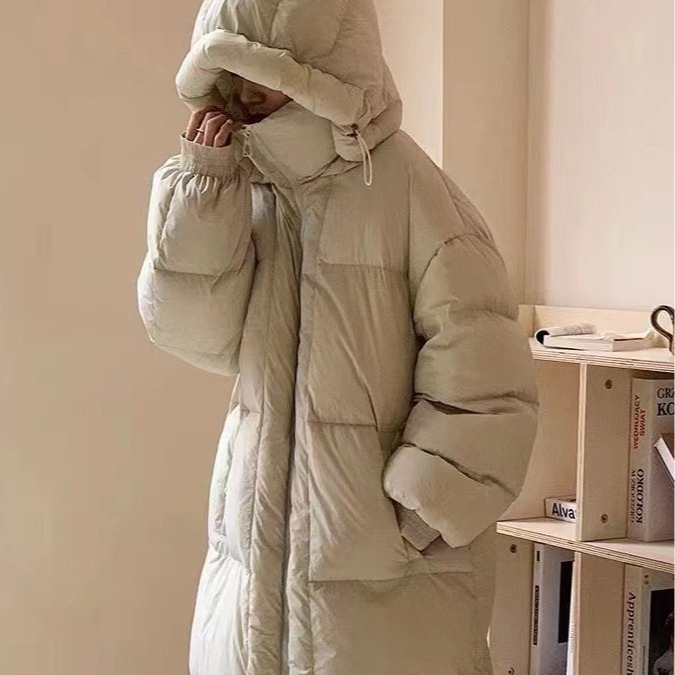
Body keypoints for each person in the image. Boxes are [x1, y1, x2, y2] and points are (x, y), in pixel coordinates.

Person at [136, 0, 540, 673]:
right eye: (230, 75)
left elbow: (486, 375)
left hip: (388, 567)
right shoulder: (249, 188)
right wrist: (201, 195)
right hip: (257, 539)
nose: (243, 94)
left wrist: (416, 513)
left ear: (319, 70)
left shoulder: (413, 192)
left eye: (260, 72)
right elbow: (197, 334)